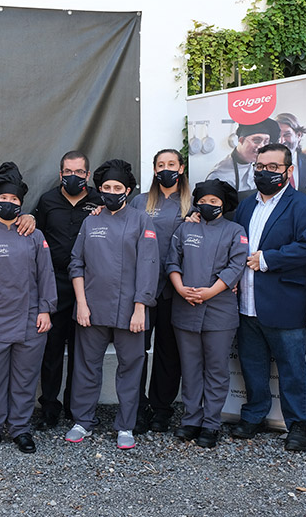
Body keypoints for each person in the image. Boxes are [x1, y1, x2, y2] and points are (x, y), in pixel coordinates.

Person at [231, 143, 306, 452]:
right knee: (252, 364)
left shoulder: (304, 206)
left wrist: (267, 259)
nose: (265, 172)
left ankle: (299, 425)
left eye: (272, 167)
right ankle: (254, 415)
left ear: (288, 170)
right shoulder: (245, 205)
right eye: (260, 167)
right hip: (247, 303)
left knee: (292, 368)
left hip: (285, 303)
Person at [66, 159, 159, 450]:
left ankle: (126, 425)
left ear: (128, 190)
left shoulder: (142, 220)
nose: (111, 191)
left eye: (117, 187)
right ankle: (83, 420)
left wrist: (140, 306)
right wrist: (81, 304)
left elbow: (149, 265)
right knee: (86, 366)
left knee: (130, 367)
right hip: (91, 309)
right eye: (106, 187)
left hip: (131, 311)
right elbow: (76, 263)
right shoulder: (90, 220)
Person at [0, 162, 57, 454]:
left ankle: (20, 429)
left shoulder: (34, 236)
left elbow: (46, 274)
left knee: (24, 380)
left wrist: (45, 309)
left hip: (32, 322)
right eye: (4, 199)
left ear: (21, 204)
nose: (9, 203)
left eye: (14, 200)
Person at [166, 179, 247, 448]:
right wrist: (180, 288)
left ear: (223, 204)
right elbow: (172, 260)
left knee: (215, 369)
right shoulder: (184, 228)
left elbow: (237, 265)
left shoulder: (235, 231)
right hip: (185, 308)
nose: (208, 205)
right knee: (190, 368)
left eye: (214, 201)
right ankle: (190, 420)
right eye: (204, 201)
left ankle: (211, 424)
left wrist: (210, 292)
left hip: (219, 311)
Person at [32, 151, 102, 431]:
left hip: (90, 285)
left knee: (83, 350)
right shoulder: (47, 201)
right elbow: (36, 238)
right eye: (68, 172)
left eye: (79, 172)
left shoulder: (100, 200)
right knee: (51, 351)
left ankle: (78, 407)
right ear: (60, 174)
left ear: (87, 174)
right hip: (55, 283)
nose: (74, 177)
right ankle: (49, 407)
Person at [129, 149, 192, 433]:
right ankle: (137, 408)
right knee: (136, 351)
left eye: (171, 164)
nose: (165, 169)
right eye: (160, 165)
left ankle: (162, 409)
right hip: (142, 289)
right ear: (154, 170)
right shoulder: (140, 202)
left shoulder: (191, 204)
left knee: (169, 352)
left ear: (180, 168)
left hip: (176, 290)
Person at [206, 118, 280, 200]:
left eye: (266, 142)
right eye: (257, 140)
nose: (261, 146)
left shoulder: (262, 168)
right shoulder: (218, 175)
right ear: (241, 140)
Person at [275, 113, 306, 199]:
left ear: (298, 135)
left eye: (287, 135)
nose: (281, 141)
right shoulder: (263, 168)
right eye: (278, 135)